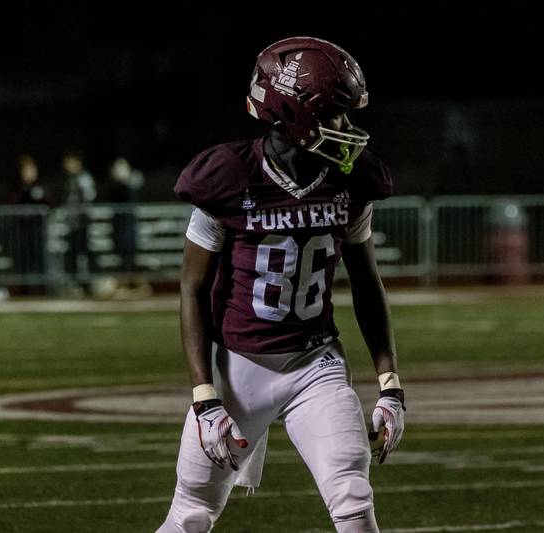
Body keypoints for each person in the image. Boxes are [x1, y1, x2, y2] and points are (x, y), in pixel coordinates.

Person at [156, 37, 405, 533]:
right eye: (335, 115)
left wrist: (389, 382)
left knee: (353, 501)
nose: (348, 129)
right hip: (239, 367)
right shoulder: (229, 176)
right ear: (295, 114)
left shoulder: (350, 183)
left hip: (316, 364)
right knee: (191, 515)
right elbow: (192, 290)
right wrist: (204, 395)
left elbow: (366, 282)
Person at [7, 155, 53, 292]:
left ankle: (43, 288)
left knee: (39, 259)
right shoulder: (17, 187)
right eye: (26, 170)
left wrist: (42, 196)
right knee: (23, 260)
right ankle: (24, 289)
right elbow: (11, 203)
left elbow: (50, 204)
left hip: (37, 229)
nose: (29, 173)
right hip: (22, 229)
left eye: (31, 170)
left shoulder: (41, 186)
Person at [60, 151, 96, 278]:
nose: (67, 166)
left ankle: (90, 281)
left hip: (82, 222)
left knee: (84, 252)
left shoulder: (84, 178)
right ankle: (75, 281)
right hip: (72, 222)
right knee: (72, 253)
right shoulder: (69, 180)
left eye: (69, 162)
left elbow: (89, 198)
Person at [107, 157, 143, 273]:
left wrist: (126, 182)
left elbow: (131, 199)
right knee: (121, 251)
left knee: (129, 251)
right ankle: (125, 275)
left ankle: (131, 276)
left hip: (128, 224)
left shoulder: (130, 186)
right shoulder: (115, 187)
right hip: (119, 224)